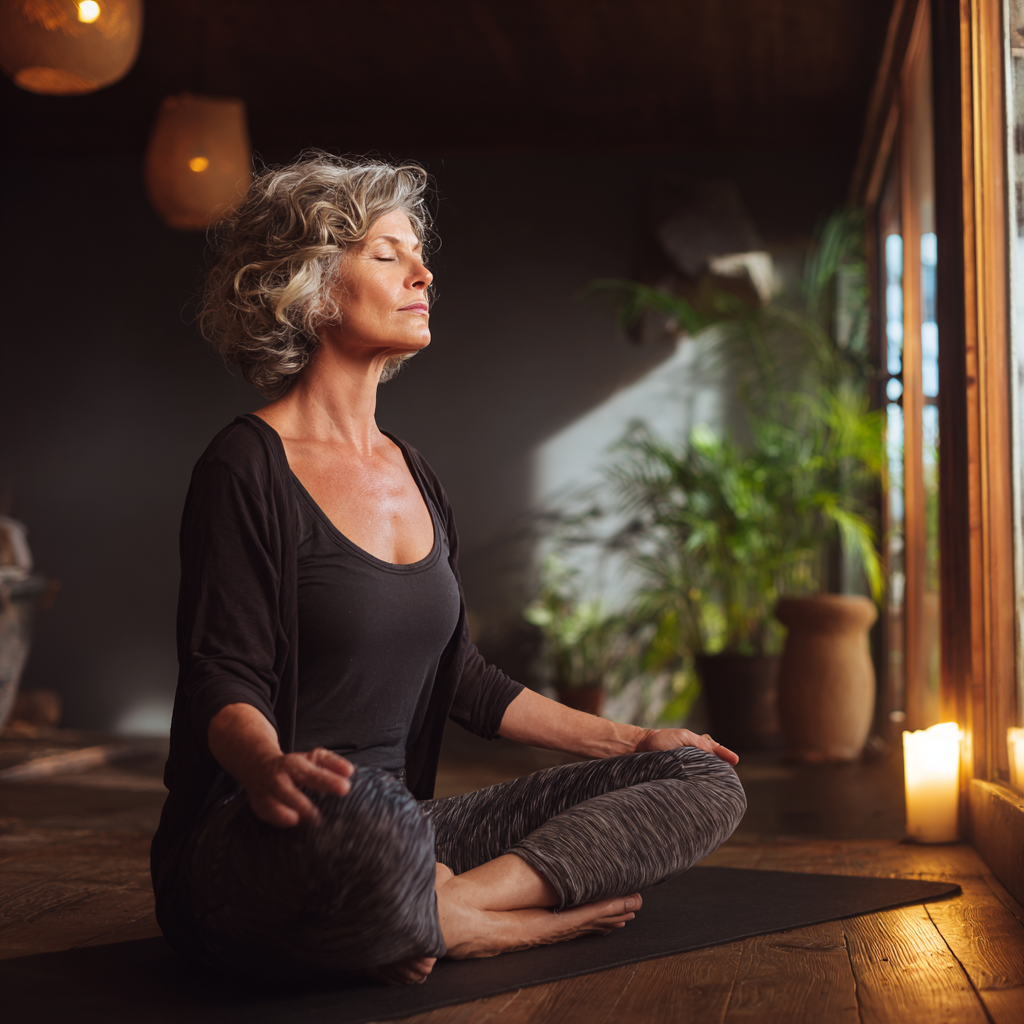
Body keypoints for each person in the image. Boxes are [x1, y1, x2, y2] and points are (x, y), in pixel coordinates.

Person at [151, 153, 746, 986]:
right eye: (387, 255)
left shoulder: (413, 471)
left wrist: (635, 738)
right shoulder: (245, 466)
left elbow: (463, 679)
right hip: (274, 834)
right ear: (312, 285)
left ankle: (442, 907)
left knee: (699, 778)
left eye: (418, 254)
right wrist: (266, 768)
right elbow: (222, 675)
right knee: (366, 809)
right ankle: (502, 926)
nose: (423, 272)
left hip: (412, 835)